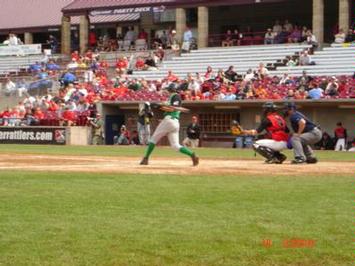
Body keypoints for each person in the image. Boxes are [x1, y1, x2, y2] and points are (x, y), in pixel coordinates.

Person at [140, 85, 199, 166]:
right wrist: (159, 106)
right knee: (175, 146)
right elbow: (169, 108)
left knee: (153, 139)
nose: (166, 92)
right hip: (173, 122)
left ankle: (146, 158)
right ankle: (192, 155)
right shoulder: (170, 98)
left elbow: (172, 109)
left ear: (170, 90)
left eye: (167, 90)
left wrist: (160, 106)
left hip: (170, 120)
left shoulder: (175, 96)